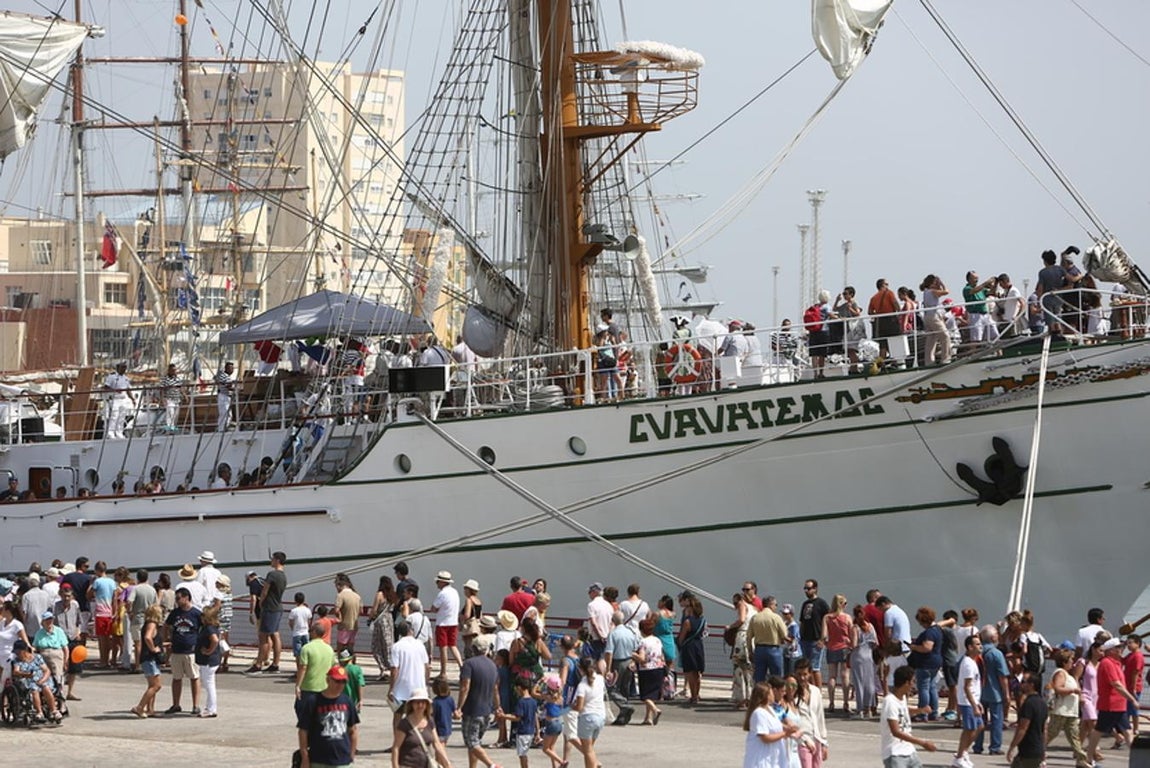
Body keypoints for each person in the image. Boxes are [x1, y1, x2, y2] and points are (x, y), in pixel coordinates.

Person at [298, 665, 361, 768]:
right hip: (319, 759)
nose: (340, 685)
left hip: (342, 759)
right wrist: (305, 757)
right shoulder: (314, 701)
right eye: (337, 681)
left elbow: (353, 730)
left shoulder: (347, 701)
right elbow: (303, 731)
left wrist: (352, 754)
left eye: (343, 682)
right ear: (328, 680)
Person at [1087, 637, 1139, 760]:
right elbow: (1116, 684)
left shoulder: (1116, 663)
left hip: (1118, 704)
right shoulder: (1107, 663)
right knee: (1099, 730)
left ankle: (1138, 758)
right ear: (1111, 650)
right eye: (1118, 647)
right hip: (1110, 704)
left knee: (1127, 731)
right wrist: (1132, 699)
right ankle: (1088, 756)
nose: (1121, 649)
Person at [882, 665, 938, 768]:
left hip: (909, 751)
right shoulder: (890, 702)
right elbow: (896, 732)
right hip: (895, 754)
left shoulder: (901, 698)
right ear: (906, 683)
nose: (914, 685)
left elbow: (902, 710)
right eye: (913, 681)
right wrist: (923, 743)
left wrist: (919, 710)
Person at [457, 640, 500, 768]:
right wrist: (498, 707)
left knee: (471, 742)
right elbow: (495, 689)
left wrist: (459, 707)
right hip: (486, 712)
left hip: (472, 710)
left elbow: (465, 686)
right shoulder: (493, 666)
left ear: (473, 649)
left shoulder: (469, 664)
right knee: (476, 743)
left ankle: (491, 765)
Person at [1046, 647, 1090, 768]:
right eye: (1071, 659)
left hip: (1070, 712)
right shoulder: (1060, 673)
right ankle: (1035, 752)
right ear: (1064, 662)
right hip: (1061, 711)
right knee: (1050, 733)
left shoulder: (1068, 674)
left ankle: (1081, 759)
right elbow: (1058, 688)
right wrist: (1073, 690)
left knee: (1074, 736)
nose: (1073, 662)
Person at [163, 586, 202, 716]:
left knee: (194, 677)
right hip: (177, 650)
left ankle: (195, 705)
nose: (177, 601)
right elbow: (166, 625)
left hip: (191, 650)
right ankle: (176, 704)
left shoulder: (196, 613)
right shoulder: (175, 613)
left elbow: (204, 628)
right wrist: (167, 638)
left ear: (186, 598)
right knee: (176, 678)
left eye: (179, 598)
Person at [744, 680, 800, 768]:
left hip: (773, 759)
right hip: (760, 761)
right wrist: (784, 734)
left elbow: (778, 725)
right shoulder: (759, 713)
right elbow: (765, 738)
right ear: (766, 696)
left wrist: (791, 730)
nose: (773, 694)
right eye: (771, 692)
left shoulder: (771, 710)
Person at [974, 625, 1010, 756]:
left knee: (980, 720)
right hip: (994, 692)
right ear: (993, 637)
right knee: (996, 720)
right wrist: (1006, 694)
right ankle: (994, 747)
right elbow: (1002, 676)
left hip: (979, 691)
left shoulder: (977, 653)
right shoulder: (996, 654)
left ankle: (977, 745)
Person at [248, 551, 287, 674]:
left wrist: (261, 603)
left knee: (263, 636)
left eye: (273, 559)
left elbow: (265, 591)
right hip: (278, 607)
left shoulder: (272, 574)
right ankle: (275, 663)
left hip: (269, 608)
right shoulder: (283, 575)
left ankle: (258, 664)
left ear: (277, 560)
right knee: (275, 635)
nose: (271, 561)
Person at [10, 640, 62, 723]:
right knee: (34, 690)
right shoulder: (17, 661)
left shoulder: (37, 657)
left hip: (42, 678)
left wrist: (42, 680)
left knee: (45, 687)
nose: (17, 654)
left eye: (18, 651)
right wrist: (26, 674)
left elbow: (46, 670)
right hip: (28, 679)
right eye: (16, 652)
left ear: (24, 650)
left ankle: (54, 711)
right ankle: (39, 712)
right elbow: (16, 672)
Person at [955, 633, 985, 768]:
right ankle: (960, 756)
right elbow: (966, 687)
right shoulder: (967, 664)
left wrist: (978, 703)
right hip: (967, 702)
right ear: (970, 647)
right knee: (970, 729)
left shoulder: (973, 662)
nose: (980, 646)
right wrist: (974, 706)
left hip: (973, 700)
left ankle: (964, 751)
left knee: (979, 727)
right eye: (977, 644)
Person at [602, 610, 638, 725]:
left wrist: (608, 669)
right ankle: (623, 716)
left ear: (613, 621)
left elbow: (609, 652)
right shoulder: (630, 632)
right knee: (624, 689)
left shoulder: (613, 633)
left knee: (611, 688)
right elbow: (635, 649)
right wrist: (633, 661)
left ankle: (625, 706)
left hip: (618, 663)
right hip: (629, 661)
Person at [908, 607, 943, 723]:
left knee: (923, 688)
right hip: (936, 662)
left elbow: (927, 647)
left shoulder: (929, 633)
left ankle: (923, 713)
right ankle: (934, 711)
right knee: (932, 687)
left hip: (926, 663)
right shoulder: (937, 629)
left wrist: (914, 647)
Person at [1006, 672, 1048, 768]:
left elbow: (1022, 728)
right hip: (1036, 750)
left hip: (1028, 750)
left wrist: (1012, 747)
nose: (1021, 684)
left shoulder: (1029, 704)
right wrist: (1043, 749)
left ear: (1031, 685)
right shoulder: (1043, 704)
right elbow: (1044, 729)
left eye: (1023, 682)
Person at [389, 620, 430, 714]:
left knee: (398, 716)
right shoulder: (420, 645)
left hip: (400, 689)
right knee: (416, 716)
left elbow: (394, 669)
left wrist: (391, 688)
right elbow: (426, 666)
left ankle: (397, 730)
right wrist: (426, 684)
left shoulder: (396, 646)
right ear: (411, 630)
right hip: (419, 687)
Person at [793, 659, 829, 768]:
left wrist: (824, 742)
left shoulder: (815, 691)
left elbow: (820, 717)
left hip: (816, 738)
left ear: (810, 674)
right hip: (801, 741)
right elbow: (791, 721)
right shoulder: (792, 694)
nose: (802, 678)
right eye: (799, 674)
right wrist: (803, 739)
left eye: (805, 674)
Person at [572, 656, 607, 768]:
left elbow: (580, 707)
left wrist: (571, 706)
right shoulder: (600, 679)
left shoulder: (582, 685)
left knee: (588, 751)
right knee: (590, 749)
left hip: (588, 718)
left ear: (580, 669)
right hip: (601, 716)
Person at [131, 604, 164, 718]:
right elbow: (147, 637)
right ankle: (140, 707)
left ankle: (150, 709)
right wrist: (153, 649)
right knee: (156, 685)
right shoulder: (152, 624)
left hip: (148, 658)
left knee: (151, 685)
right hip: (150, 658)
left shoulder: (147, 624)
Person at [820, 593, 851, 713]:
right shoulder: (847, 618)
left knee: (832, 676)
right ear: (842, 604)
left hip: (831, 647)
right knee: (845, 676)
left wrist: (826, 643)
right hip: (844, 647)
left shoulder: (827, 617)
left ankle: (831, 702)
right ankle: (846, 702)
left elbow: (824, 635)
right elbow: (851, 632)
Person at [499, 679, 539, 768]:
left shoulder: (521, 702)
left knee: (522, 754)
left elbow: (517, 718)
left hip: (523, 732)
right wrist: (538, 732)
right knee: (524, 753)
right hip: (531, 731)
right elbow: (536, 717)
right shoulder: (533, 701)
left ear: (519, 688)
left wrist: (504, 716)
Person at [633, 617, 665, 725]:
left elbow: (642, 658)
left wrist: (633, 655)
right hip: (659, 668)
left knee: (645, 695)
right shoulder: (657, 640)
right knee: (653, 694)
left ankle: (655, 710)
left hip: (647, 669)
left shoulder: (643, 642)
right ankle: (648, 717)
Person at [676, 591, 707, 704]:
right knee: (697, 672)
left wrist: (679, 643)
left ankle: (693, 695)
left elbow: (681, 637)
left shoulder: (687, 622)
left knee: (690, 672)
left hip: (689, 647)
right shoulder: (702, 620)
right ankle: (697, 694)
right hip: (699, 645)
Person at [295, 622, 336, 706]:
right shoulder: (329, 649)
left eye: (310, 631)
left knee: (303, 712)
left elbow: (303, 668)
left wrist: (298, 685)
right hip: (324, 687)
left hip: (308, 687)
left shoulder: (306, 648)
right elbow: (333, 667)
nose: (309, 633)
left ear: (314, 632)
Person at [748, 599, 788, 682]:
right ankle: (775, 694)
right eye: (776, 605)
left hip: (759, 649)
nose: (776, 607)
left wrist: (750, 652)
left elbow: (749, 637)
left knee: (759, 677)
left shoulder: (755, 617)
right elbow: (784, 634)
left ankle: (760, 694)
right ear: (771, 605)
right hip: (774, 650)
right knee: (776, 678)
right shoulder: (776, 617)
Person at [799, 579, 829, 688]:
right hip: (805, 640)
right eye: (805, 588)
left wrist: (823, 639)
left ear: (815, 589)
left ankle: (818, 692)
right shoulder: (805, 604)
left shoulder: (821, 603)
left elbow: (827, 621)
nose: (806, 591)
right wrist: (800, 638)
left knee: (815, 668)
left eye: (809, 588)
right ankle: (810, 689)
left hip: (816, 640)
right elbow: (802, 621)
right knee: (807, 668)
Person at [431, 570, 462, 676]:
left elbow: (433, 608)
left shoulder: (442, 594)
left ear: (442, 582)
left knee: (443, 648)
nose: (437, 583)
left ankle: (443, 672)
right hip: (453, 622)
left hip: (443, 623)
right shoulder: (455, 592)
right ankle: (461, 666)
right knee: (453, 645)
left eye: (438, 581)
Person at [849, 604, 878, 720]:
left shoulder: (855, 627)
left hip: (858, 657)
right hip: (869, 656)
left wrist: (848, 643)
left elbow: (854, 644)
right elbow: (876, 643)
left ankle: (860, 709)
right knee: (869, 682)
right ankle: (869, 708)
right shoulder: (870, 626)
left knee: (859, 683)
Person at [196, 604, 222, 718]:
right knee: (209, 684)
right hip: (212, 659)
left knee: (209, 685)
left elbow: (215, 640)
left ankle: (211, 709)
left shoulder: (209, 628)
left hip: (208, 660)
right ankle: (210, 707)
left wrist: (208, 651)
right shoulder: (214, 626)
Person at [919, 275, 951, 365]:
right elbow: (946, 291)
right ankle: (945, 359)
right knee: (945, 336)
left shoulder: (926, 292)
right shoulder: (932, 291)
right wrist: (941, 283)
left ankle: (929, 361)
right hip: (933, 317)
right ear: (932, 283)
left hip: (927, 317)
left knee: (931, 338)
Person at [370, 576, 397, 679]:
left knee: (376, 646)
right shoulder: (392, 595)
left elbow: (374, 610)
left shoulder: (380, 594)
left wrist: (370, 617)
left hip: (380, 621)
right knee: (388, 645)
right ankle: (391, 668)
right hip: (389, 620)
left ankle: (383, 668)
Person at [962, 271, 999, 343]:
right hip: (975, 315)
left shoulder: (981, 289)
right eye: (974, 278)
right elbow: (974, 291)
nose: (977, 280)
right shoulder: (966, 289)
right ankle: (973, 353)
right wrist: (986, 282)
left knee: (995, 337)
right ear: (969, 279)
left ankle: (999, 354)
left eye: (977, 278)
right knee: (976, 339)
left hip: (986, 315)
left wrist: (995, 284)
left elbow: (992, 293)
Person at [102, 361, 136, 439]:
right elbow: (106, 387)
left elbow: (128, 389)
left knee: (122, 417)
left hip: (123, 399)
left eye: (125, 367)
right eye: (122, 367)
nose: (124, 369)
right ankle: (110, 432)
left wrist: (132, 399)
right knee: (114, 416)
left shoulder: (126, 378)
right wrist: (115, 390)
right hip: (115, 399)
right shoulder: (112, 377)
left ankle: (119, 432)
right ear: (118, 368)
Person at [332, 573, 362, 656]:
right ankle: (351, 663)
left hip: (344, 626)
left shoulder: (341, 595)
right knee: (350, 647)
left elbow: (336, 610)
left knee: (341, 647)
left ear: (339, 585)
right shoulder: (357, 596)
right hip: (354, 625)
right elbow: (361, 611)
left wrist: (339, 618)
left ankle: (342, 665)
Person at [158, 363, 184, 430]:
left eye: (175, 370)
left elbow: (180, 388)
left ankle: (174, 427)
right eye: (172, 370)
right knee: (170, 413)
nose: (174, 372)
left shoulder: (178, 379)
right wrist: (162, 399)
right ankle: (169, 427)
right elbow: (161, 389)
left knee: (176, 415)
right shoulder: (165, 379)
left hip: (177, 399)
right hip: (169, 399)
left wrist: (185, 395)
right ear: (169, 370)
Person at [288, 592, 312, 661]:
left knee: (298, 653)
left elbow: (290, 622)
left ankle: (299, 669)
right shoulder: (308, 610)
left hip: (297, 633)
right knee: (306, 652)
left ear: (295, 601)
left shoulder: (294, 611)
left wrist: (293, 628)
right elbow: (309, 620)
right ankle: (305, 668)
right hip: (305, 632)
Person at [431, 675, 455, 744]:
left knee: (439, 748)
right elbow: (456, 713)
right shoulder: (450, 699)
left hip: (438, 730)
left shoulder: (435, 702)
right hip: (448, 729)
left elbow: (431, 716)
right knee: (443, 746)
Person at [215, 360, 236, 431]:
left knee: (228, 414)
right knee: (225, 413)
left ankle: (224, 427)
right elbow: (228, 386)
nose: (232, 370)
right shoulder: (224, 376)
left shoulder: (227, 376)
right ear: (226, 369)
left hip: (226, 396)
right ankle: (222, 429)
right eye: (230, 368)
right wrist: (236, 389)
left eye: (233, 368)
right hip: (223, 396)